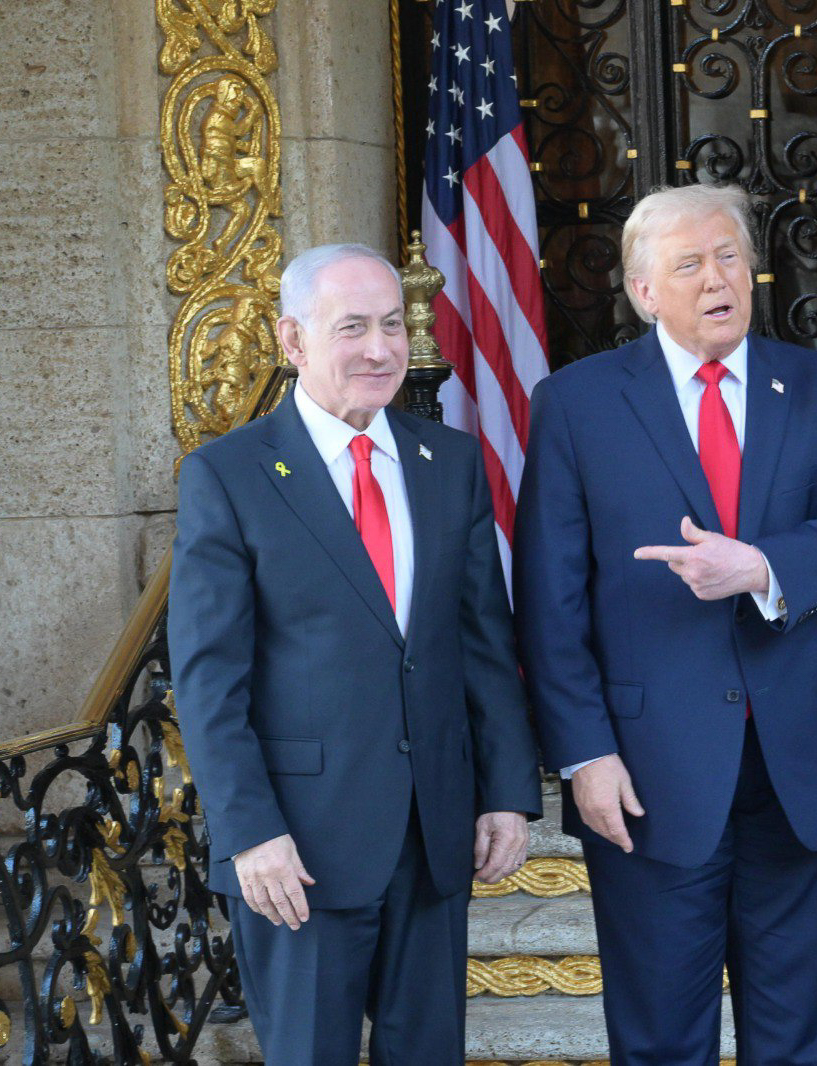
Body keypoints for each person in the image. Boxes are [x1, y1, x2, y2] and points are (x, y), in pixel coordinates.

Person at [514, 183, 817, 1064]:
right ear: (644, 290)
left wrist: (762, 567)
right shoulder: (577, 403)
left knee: (798, 1037)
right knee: (661, 1039)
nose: (717, 278)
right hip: (648, 771)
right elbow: (549, 599)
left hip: (795, 766)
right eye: (689, 264)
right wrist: (583, 753)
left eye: (729, 257)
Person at [168, 243, 542, 1064]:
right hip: (297, 849)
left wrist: (507, 792)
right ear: (292, 340)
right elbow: (207, 680)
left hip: (433, 835)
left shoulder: (449, 462)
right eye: (352, 328)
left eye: (392, 325)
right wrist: (249, 833)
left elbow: (483, 641)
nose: (380, 349)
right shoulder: (228, 476)